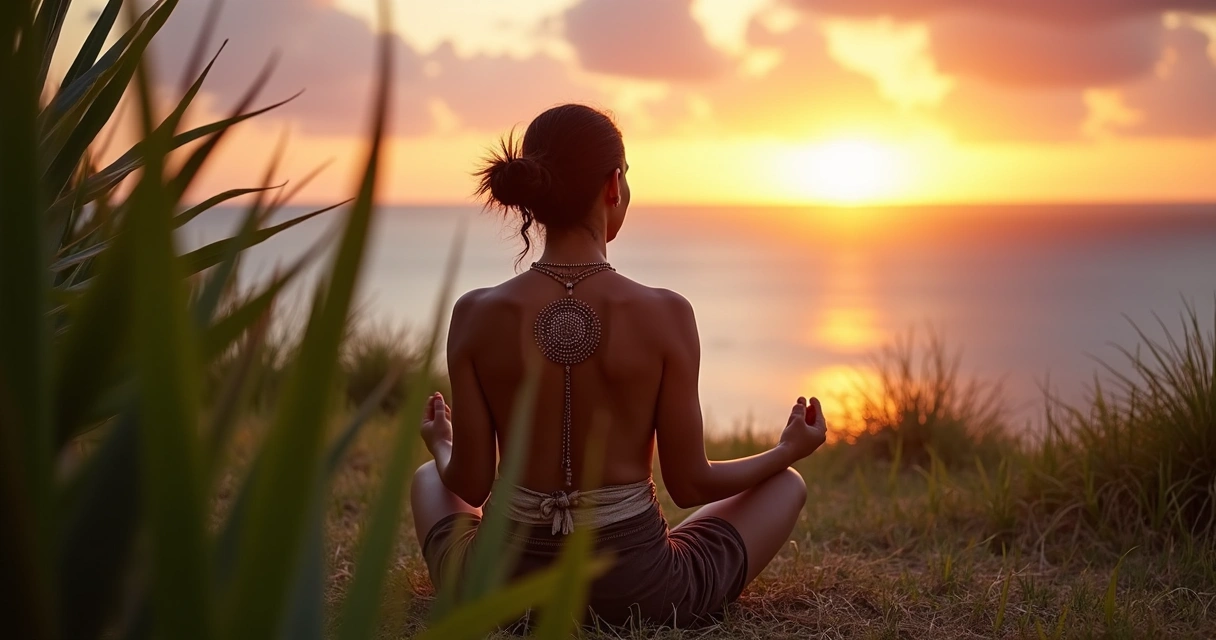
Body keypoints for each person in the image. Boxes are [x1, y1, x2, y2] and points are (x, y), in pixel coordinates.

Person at [411, 103, 828, 627]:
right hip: (639, 589)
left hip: (503, 586)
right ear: (613, 184)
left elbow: (469, 485)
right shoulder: (666, 313)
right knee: (787, 483)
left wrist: (441, 443)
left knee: (430, 478)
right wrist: (789, 450)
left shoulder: (476, 312)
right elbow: (690, 484)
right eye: (627, 175)